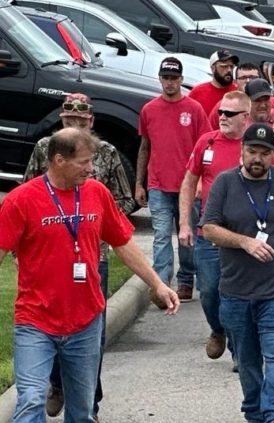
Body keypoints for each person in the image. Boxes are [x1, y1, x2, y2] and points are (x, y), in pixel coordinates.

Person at [2, 127, 180, 423]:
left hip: (86, 322)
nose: (91, 168)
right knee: (31, 401)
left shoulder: (97, 193)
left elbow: (123, 243)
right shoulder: (21, 200)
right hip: (36, 321)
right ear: (59, 160)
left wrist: (157, 284)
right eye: (84, 162)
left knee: (82, 411)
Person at [22, 93, 136, 420]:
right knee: (49, 329)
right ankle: (58, 383)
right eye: (69, 119)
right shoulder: (45, 148)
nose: (75, 123)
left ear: (91, 121)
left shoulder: (106, 153)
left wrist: (94, 218)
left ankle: (89, 404)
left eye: (81, 120)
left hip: (92, 255)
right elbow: (29, 189)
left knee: (89, 335)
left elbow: (125, 200)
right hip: (49, 254)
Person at [202, 123, 274, 423]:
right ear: (242, 150)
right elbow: (209, 228)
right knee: (248, 360)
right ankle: (254, 411)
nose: (257, 159)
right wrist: (244, 242)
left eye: (265, 153)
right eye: (252, 151)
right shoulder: (225, 183)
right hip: (236, 292)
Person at [178, 91, 253, 364]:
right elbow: (189, 182)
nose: (222, 117)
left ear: (245, 117)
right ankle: (218, 329)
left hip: (242, 236)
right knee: (209, 291)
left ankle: (238, 350)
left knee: (237, 295)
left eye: (230, 113)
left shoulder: (253, 145)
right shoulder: (206, 142)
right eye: (221, 112)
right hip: (209, 233)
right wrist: (184, 223)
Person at [137, 57, 211, 302]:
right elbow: (144, 147)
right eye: (166, 78)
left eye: (174, 78)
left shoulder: (194, 109)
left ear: (181, 79)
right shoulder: (149, 110)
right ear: (160, 79)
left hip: (186, 185)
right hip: (158, 184)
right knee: (160, 236)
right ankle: (161, 286)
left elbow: (205, 146)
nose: (170, 83)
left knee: (186, 236)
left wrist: (200, 180)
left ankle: (186, 280)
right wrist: (139, 183)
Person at [189, 50, 240, 116]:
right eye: (224, 66)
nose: (229, 70)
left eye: (231, 67)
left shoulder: (238, 91)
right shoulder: (198, 92)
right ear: (213, 68)